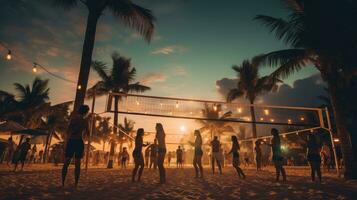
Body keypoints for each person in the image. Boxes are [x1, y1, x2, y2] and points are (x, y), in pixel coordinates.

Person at [61, 105, 90, 187]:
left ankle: (63, 183)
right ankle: (76, 184)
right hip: (79, 142)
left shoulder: (73, 120)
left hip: (71, 141)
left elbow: (67, 131)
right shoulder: (85, 121)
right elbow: (88, 133)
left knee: (66, 163)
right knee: (78, 164)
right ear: (85, 112)